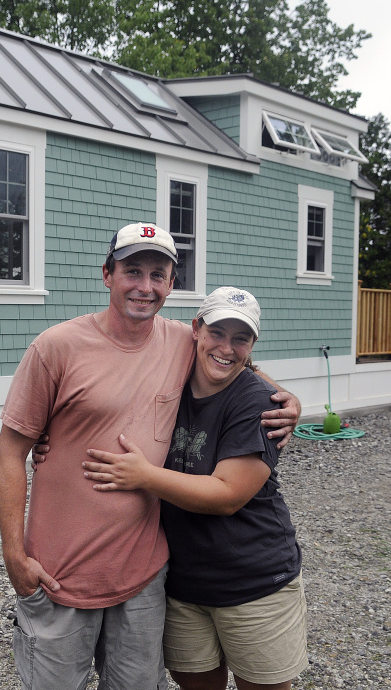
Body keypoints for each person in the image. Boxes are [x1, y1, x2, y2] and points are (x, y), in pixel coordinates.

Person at [0, 223, 301, 690]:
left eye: (158, 275)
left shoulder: (180, 340)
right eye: (132, 271)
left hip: (144, 578)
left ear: (171, 285)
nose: (145, 286)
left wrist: (288, 398)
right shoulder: (55, 348)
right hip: (59, 575)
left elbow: (231, 357)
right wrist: (14, 555)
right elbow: (10, 453)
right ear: (107, 275)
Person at [81, 286, 307, 690]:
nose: (226, 347)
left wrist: (143, 476)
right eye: (217, 332)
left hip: (254, 582)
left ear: (252, 344)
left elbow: (227, 496)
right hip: (183, 585)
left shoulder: (259, 404)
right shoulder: (169, 380)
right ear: (196, 330)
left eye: (241, 338)